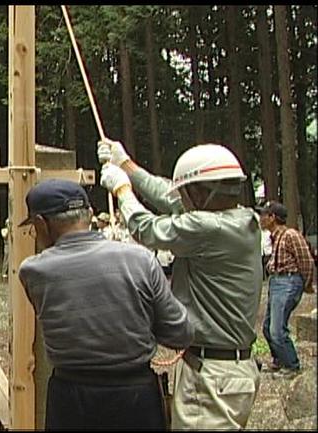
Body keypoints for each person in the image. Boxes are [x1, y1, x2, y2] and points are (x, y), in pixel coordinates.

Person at [99, 139, 262, 429]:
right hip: (222, 370)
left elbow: (146, 229)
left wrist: (122, 190)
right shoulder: (240, 219)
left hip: (212, 375)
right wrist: (127, 165)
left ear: (201, 193)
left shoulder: (210, 228)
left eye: (187, 191)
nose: (182, 198)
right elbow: (172, 199)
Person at [17, 178, 194, 430]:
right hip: (135, 396)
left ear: (40, 224)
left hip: (71, 398)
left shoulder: (33, 271)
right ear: (89, 214)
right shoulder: (141, 260)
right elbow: (180, 334)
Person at [258, 200, 316, 378]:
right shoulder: (275, 238)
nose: (260, 218)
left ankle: (292, 365)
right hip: (276, 282)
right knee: (267, 327)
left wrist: (304, 284)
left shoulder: (290, 234)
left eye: (264, 215)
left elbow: (306, 260)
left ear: (272, 217)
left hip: (288, 281)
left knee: (277, 329)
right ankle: (279, 360)